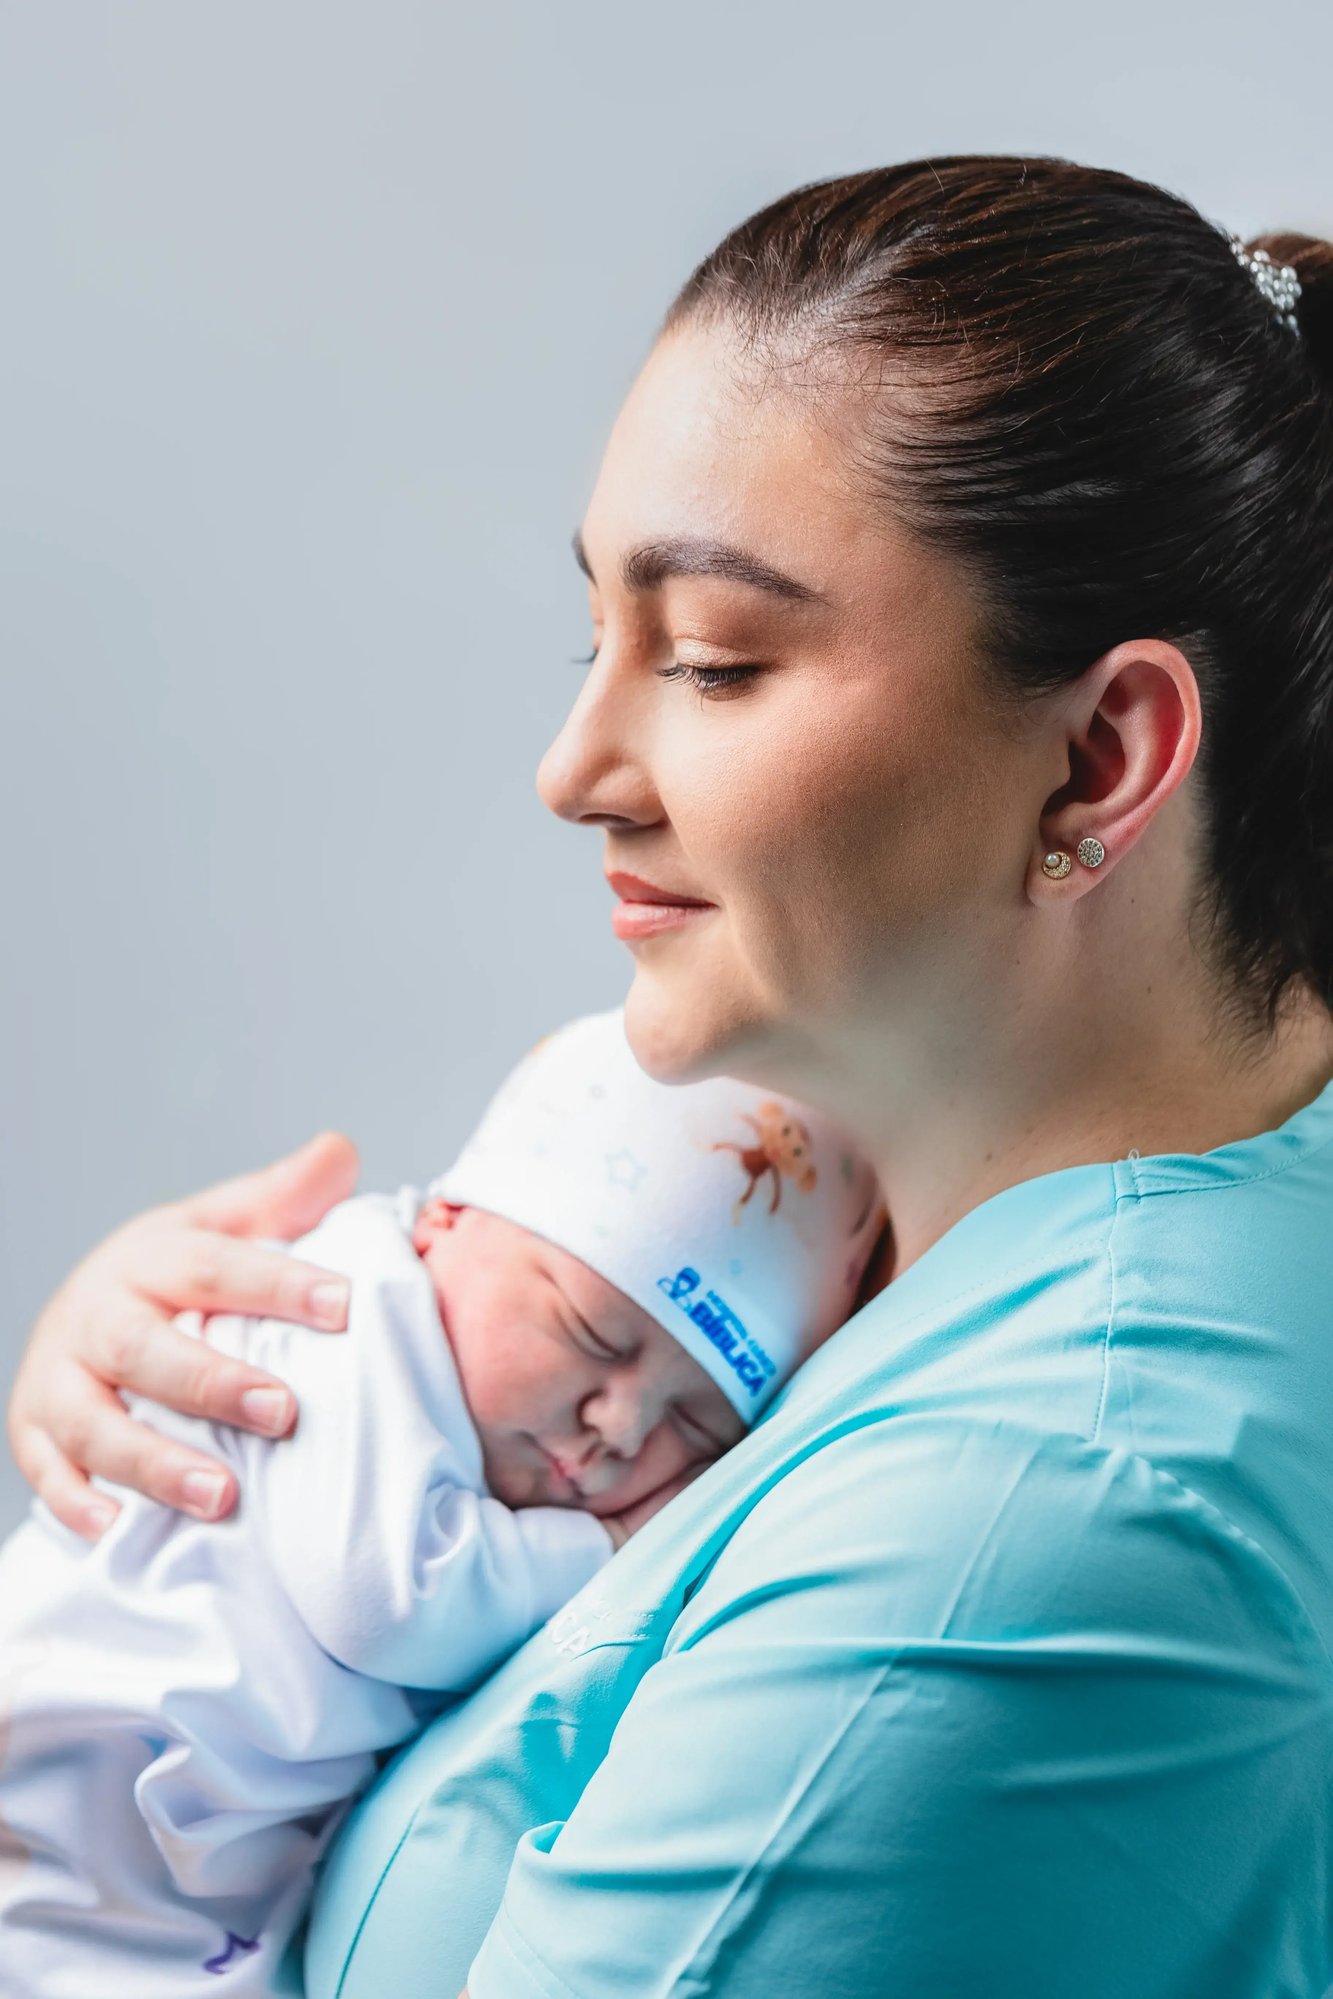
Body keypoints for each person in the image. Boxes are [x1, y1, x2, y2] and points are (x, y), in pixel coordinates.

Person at [9, 152, 1333, 1996]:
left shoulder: (1047, 1514)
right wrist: (239, 1438)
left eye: (712, 659)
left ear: (1100, 754)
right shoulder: (909, 1247)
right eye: (596, 634)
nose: (573, 764)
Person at [0, 1007, 884, 1996]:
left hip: (170, 1873)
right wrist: (614, 1541)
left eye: (696, 1424)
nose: (621, 1422)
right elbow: (383, 1602)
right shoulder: (350, 1306)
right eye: (589, 1331)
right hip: (60, 1787)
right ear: (447, 1222)